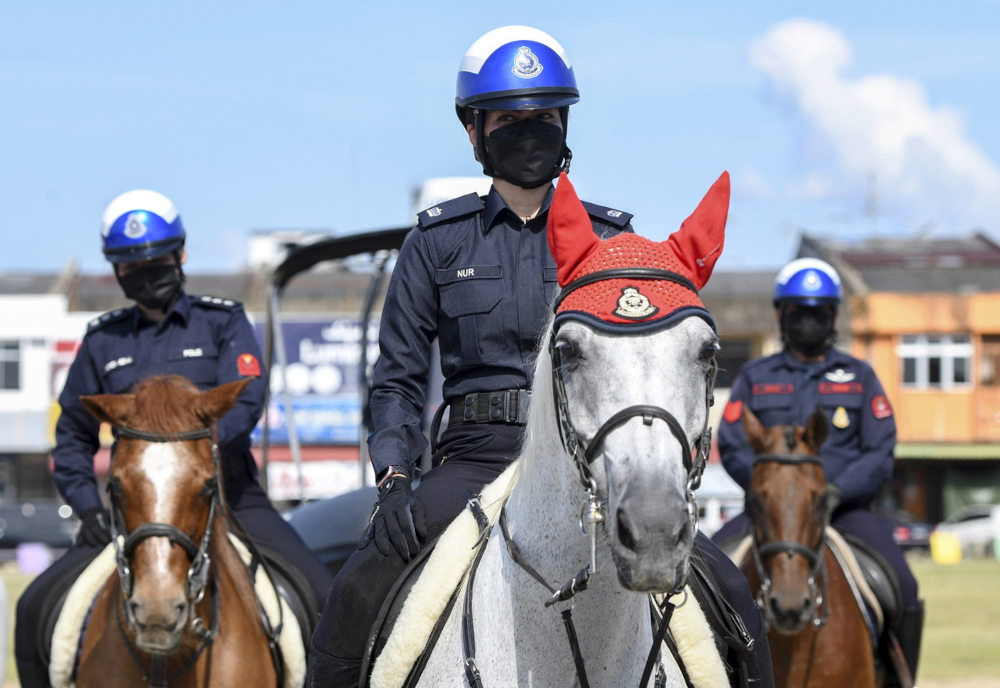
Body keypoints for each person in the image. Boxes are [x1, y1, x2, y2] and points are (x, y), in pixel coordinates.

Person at [308, 26, 773, 687]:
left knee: (730, 598)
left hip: (591, 462)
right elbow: (398, 382)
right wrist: (393, 480)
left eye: (545, 119)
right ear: (475, 132)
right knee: (356, 594)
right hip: (474, 457)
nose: (530, 134)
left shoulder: (615, 241)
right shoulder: (436, 243)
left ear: (565, 125)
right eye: (510, 122)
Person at [15, 189, 334, 687]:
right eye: (129, 265)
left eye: (156, 260)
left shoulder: (222, 321)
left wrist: (189, 454)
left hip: (229, 498)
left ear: (180, 254)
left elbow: (246, 401)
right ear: (115, 271)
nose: (144, 272)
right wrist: (89, 510)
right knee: (34, 606)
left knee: (322, 596)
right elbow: (72, 438)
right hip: (130, 512)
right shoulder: (103, 341)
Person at [712, 257, 923, 686]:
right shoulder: (755, 376)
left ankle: (901, 677)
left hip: (844, 512)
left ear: (832, 317)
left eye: (818, 313)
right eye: (799, 312)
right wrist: (772, 493)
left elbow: (880, 448)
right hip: (770, 514)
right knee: (704, 582)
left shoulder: (860, 377)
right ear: (782, 314)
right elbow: (732, 441)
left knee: (903, 586)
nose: (809, 321)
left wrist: (836, 492)